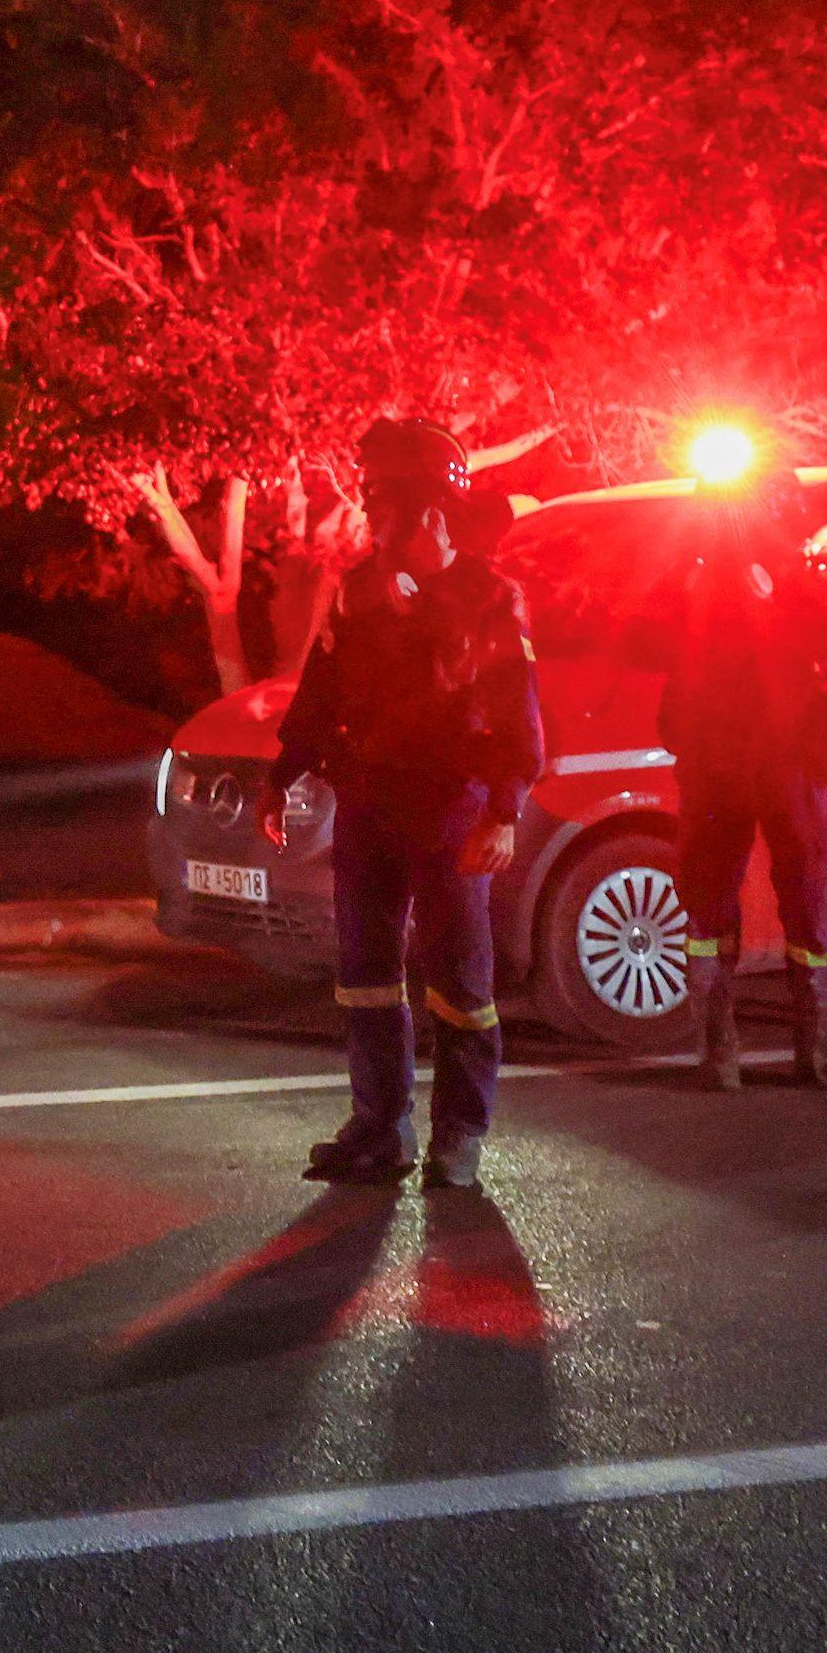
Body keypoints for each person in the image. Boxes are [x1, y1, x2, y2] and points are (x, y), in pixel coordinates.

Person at [260, 418, 544, 1187]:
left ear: (427, 506)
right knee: (364, 975)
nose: (364, 504)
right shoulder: (355, 590)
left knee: (458, 978)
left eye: (378, 493)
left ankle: (460, 1133)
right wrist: (281, 773)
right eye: (366, 490)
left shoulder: (488, 597)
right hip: (369, 807)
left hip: (451, 809)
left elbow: (516, 715)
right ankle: (379, 1127)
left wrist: (503, 811)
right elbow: (321, 691)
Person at [639, 462, 827, 1091]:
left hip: (719, 765)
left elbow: (645, 641)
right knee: (807, 899)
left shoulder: (692, 579)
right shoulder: (787, 579)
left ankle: (723, 1055)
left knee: (713, 906)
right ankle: (814, 1048)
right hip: (774, 764)